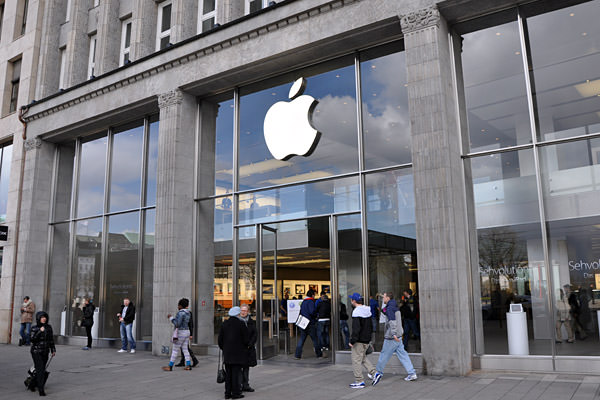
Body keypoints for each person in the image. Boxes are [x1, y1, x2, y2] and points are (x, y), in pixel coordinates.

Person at [372, 292, 417, 385]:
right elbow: (384, 311)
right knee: (403, 354)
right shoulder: (394, 306)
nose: (383, 299)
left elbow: (392, 322)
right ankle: (412, 373)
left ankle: (377, 373)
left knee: (384, 355)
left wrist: (394, 334)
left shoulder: (390, 308)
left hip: (392, 337)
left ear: (388, 298)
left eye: (384, 297)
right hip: (399, 335)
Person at [218, 306, 249, 399]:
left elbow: (220, 340)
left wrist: (224, 348)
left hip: (227, 353)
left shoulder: (224, 324)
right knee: (236, 374)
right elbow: (246, 339)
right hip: (238, 353)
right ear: (238, 314)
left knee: (228, 374)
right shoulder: (241, 324)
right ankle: (236, 393)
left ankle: (227, 393)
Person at [348, 293, 376, 388]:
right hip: (366, 340)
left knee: (356, 360)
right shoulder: (367, 310)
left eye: (351, 299)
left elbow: (356, 329)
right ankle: (374, 373)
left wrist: (352, 341)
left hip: (359, 341)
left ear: (354, 301)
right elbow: (371, 327)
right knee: (362, 358)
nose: (351, 301)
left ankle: (359, 381)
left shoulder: (356, 312)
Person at [30, 311, 56, 396]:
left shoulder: (49, 327)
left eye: (45, 317)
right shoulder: (34, 328)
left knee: (40, 370)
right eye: (42, 317)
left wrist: (53, 349)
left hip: (45, 351)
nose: (44, 319)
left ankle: (32, 384)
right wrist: (39, 332)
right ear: (38, 318)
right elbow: (32, 340)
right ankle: (41, 389)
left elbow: (51, 339)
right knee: (40, 369)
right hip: (36, 352)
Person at [163, 298, 193, 371]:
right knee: (185, 349)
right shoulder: (188, 313)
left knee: (175, 349)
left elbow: (177, 324)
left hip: (181, 332)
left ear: (180, 305)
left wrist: (171, 318)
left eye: (178, 305)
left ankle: (170, 366)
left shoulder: (180, 313)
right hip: (187, 331)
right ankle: (188, 364)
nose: (178, 307)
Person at [294, 289, 323, 359]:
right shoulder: (310, 302)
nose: (314, 296)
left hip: (303, 323)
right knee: (315, 340)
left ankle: (297, 355)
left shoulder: (304, 302)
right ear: (312, 295)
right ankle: (319, 354)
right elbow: (312, 312)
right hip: (310, 323)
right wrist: (316, 314)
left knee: (302, 339)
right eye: (314, 294)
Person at [239, 304, 257, 393]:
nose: (243, 312)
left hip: (248, 348)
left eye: (245, 311)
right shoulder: (237, 321)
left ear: (248, 312)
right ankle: (239, 385)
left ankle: (245, 385)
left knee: (246, 367)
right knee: (238, 368)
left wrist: (250, 344)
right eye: (242, 310)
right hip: (239, 349)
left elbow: (255, 334)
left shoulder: (251, 322)